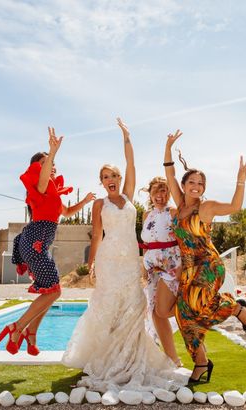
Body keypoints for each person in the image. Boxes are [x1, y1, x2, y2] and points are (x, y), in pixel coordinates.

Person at [62, 118, 187, 393]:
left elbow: (132, 164)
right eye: (105, 177)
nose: (111, 180)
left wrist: (126, 137)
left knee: (133, 306)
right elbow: (96, 236)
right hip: (108, 260)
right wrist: (91, 262)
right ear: (101, 182)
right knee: (108, 306)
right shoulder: (98, 204)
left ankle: (130, 356)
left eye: (114, 176)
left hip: (131, 260)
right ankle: (104, 356)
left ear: (120, 180)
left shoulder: (129, 198)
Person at [163, 130, 246, 384]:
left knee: (198, 306)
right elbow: (169, 173)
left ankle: (235, 307)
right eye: (191, 182)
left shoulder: (207, 207)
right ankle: (201, 363)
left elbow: (235, 207)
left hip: (209, 265)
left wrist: (241, 181)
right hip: (189, 268)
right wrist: (168, 146)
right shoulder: (180, 206)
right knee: (183, 315)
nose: (196, 187)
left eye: (200, 183)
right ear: (183, 186)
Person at [0, 127, 95, 356]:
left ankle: (31, 334)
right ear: (38, 167)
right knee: (54, 290)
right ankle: (18, 328)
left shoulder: (52, 192)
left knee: (50, 290)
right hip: (35, 241)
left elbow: (68, 212)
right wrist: (52, 152)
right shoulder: (39, 188)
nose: (52, 167)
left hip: (39, 242)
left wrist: (86, 201)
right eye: (46, 164)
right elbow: (43, 175)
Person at [139, 177, 182, 366]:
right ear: (150, 193)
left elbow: (183, 241)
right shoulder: (145, 215)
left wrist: (181, 269)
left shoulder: (174, 212)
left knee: (162, 310)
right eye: (156, 190)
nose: (160, 195)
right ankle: (173, 358)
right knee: (155, 313)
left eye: (164, 190)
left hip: (171, 266)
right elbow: (146, 244)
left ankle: (191, 312)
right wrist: (144, 265)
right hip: (151, 268)